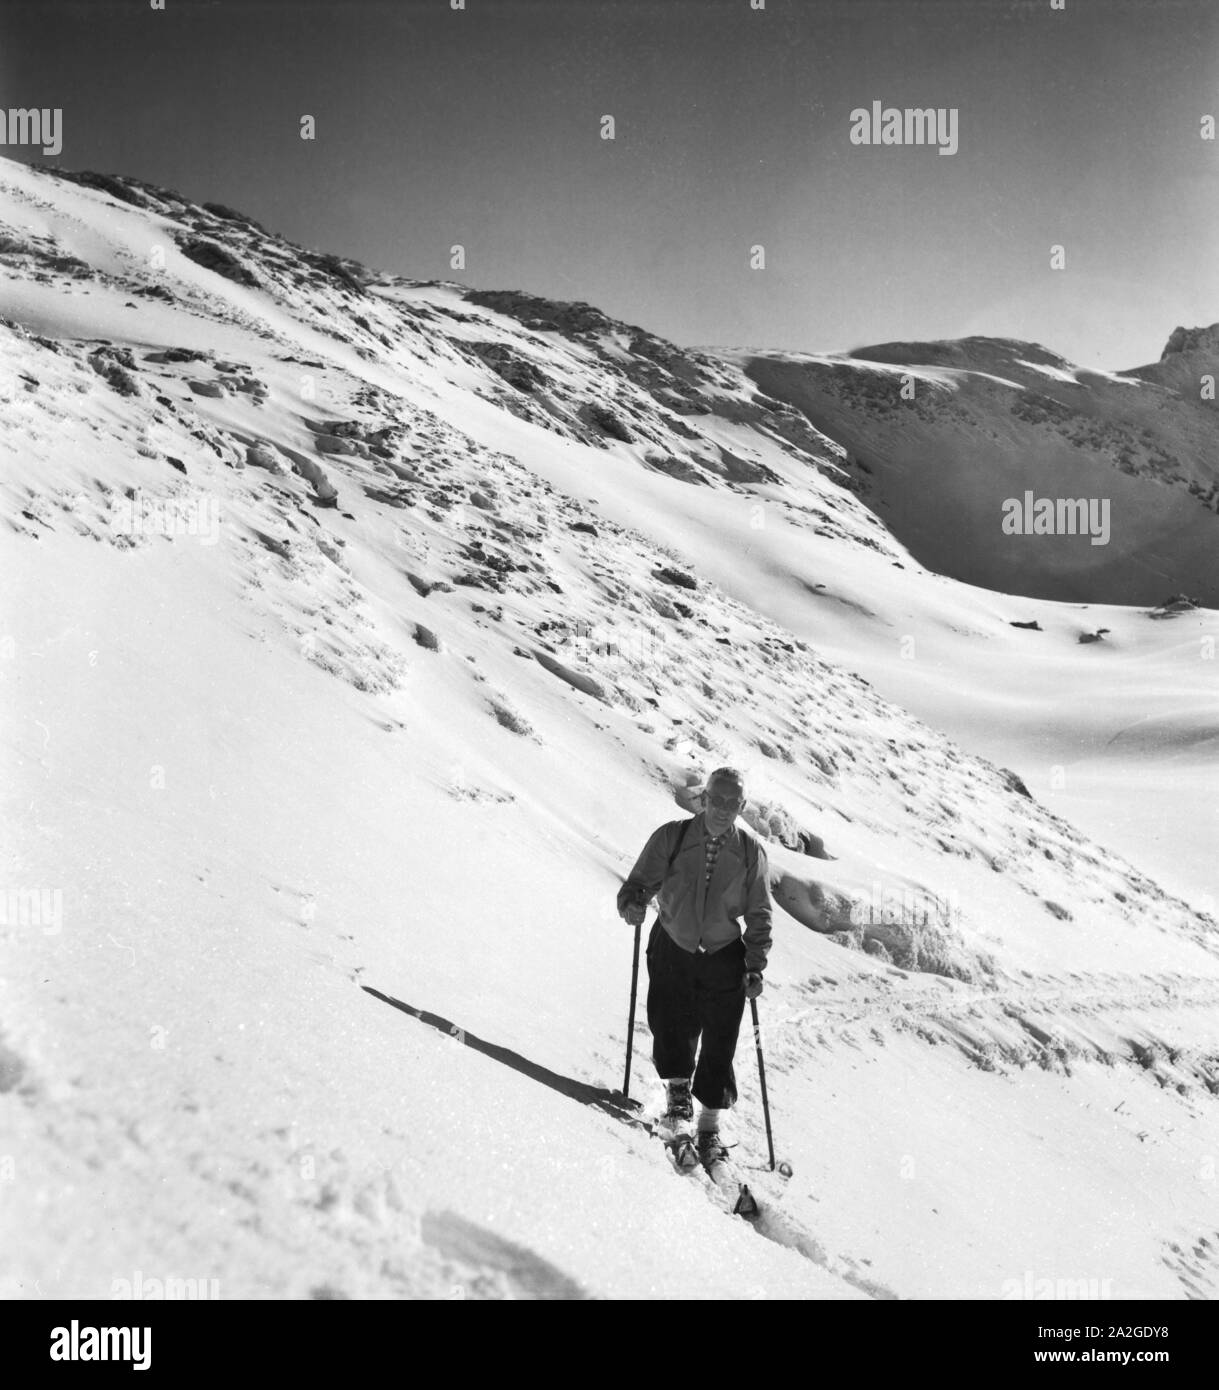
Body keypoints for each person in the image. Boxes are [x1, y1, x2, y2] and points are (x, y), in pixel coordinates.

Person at [616, 767, 772, 1172]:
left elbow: (759, 914)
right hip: (673, 943)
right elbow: (639, 883)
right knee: (671, 1022)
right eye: (715, 799)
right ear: (704, 799)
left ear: (741, 808)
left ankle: (709, 1124)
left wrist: (755, 965)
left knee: (721, 1037)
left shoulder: (752, 853)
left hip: (723, 954)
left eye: (731, 803)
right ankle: (678, 1098)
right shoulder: (673, 836)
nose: (722, 809)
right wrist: (632, 903)